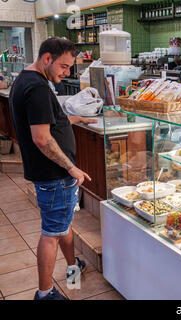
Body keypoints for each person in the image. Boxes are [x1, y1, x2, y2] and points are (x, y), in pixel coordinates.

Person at [9, 37, 97, 300]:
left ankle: (73, 268)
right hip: (54, 175)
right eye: (64, 66)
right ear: (47, 58)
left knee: (63, 225)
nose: (67, 72)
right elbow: (42, 138)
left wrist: (74, 118)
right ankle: (45, 293)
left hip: (51, 176)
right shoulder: (36, 87)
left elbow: (49, 121)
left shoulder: (28, 80)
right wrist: (72, 168)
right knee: (51, 233)